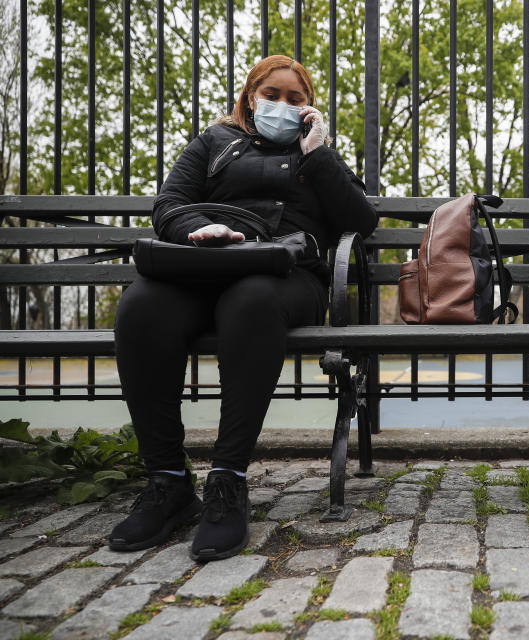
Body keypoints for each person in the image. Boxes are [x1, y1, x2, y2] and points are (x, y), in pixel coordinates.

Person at [108, 55, 378, 561]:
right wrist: (198, 229)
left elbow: (361, 220)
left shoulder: (318, 153)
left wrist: (318, 156)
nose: (281, 105)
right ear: (250, 98)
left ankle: (227, 483)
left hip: (284, 276)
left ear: (310, 109)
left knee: (250, 302)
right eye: (271, 94)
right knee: (140, 306)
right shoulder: (214, 141)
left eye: (295, 98)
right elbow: (168, 203)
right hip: (203, 265)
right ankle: (168, 481)